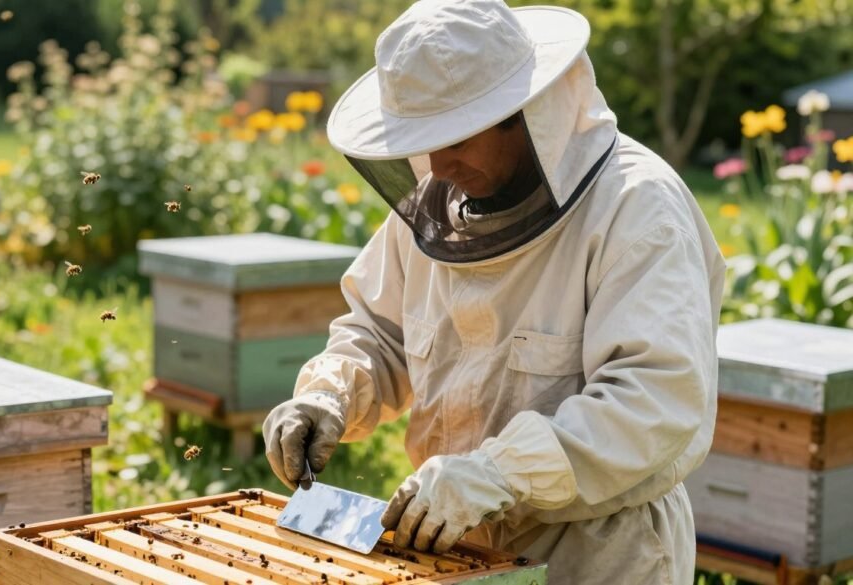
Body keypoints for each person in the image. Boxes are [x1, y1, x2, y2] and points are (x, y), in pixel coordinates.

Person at [262, 1, 725, 583]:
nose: (436, 163)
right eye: (422, 140)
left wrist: (498, 475)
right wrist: (328, 396)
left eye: (455, 137)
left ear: (524, 111)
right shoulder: (437, 206)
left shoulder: (638, 211)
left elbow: (655, 401)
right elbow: (379, 333)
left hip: (597, 552)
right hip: (453, 544)